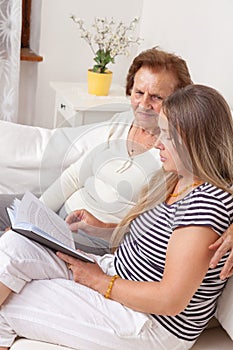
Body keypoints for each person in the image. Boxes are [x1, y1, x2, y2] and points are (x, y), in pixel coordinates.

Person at [0, 84, 233, 350]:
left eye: (167, 135)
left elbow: (171, 300)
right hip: (118, 275)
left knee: (11, 299)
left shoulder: (205, 204)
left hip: (148, 322)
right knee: (12, 246)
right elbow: (152, 242)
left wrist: (99, 281)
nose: (157, 142)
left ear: (194, 141)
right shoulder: (175, 178)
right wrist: (102, 229)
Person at [1, 47, 233, 270]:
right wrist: (38, 213)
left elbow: (220, 180)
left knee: (13, 248)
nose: (143, 105)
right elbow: (74, 175)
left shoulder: (178, 155)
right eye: (138, 93)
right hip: (56, 213)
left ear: (178, 101)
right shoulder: (122, 122)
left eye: (156, 97)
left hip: (93, 241)